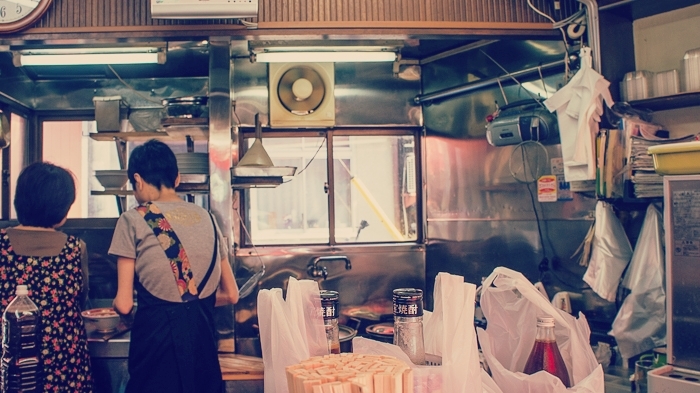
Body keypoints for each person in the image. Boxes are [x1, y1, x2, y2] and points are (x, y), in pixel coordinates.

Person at [109, 139, 239, 393]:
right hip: (202, 347)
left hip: (155, 348)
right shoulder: (208, 218)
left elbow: (123, 303)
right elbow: (231, 294)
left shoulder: (131, 220)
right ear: (177, 178)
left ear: (138, 180)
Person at [0, 162, 93, 392]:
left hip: (10, 371)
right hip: (65, 370)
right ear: (62, 211)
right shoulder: (74, 249)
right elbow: (81, 300)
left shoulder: (1, 245)